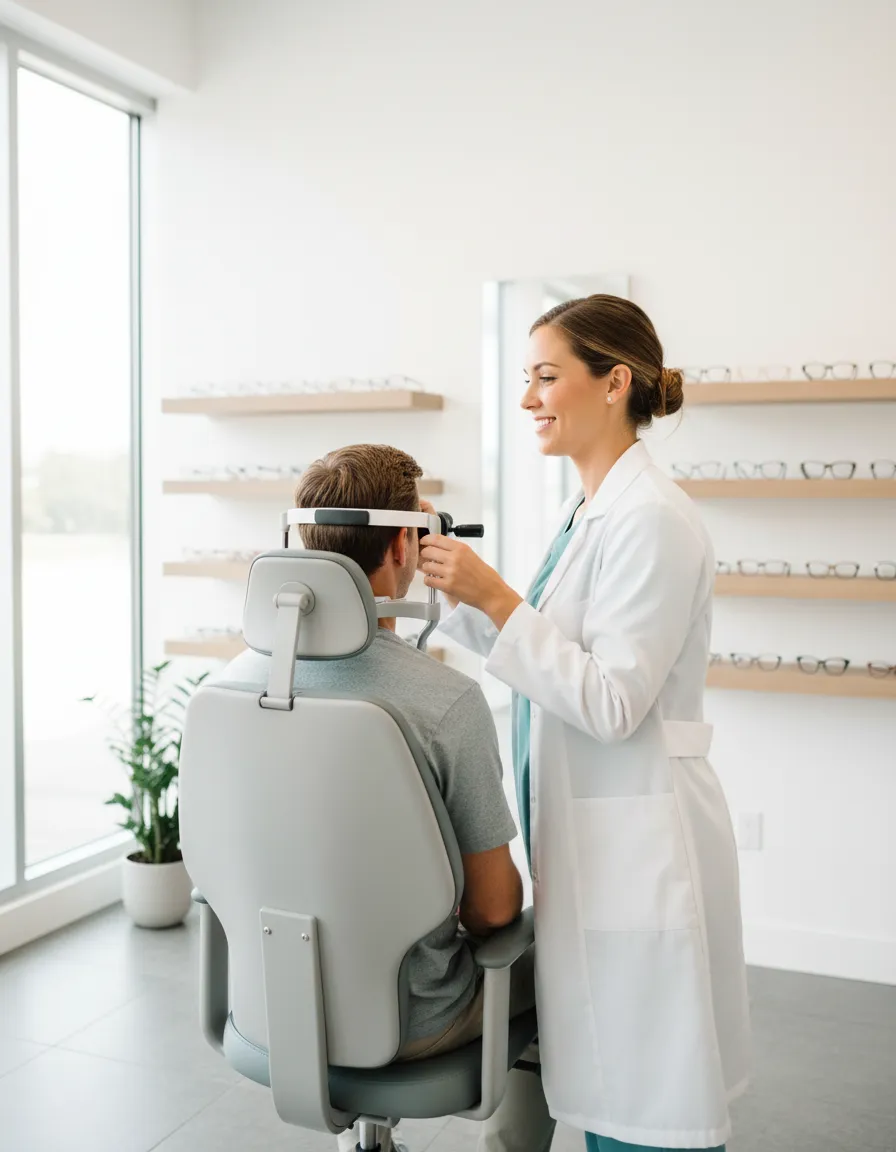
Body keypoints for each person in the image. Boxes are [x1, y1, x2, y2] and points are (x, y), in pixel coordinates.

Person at [421, 296, 751, 1152]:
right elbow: (546, 644)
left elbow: (611, 701)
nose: (529, 398)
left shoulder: (653, 519)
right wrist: (445, 598)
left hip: (644, 842)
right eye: (525, 379)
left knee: (651, 1097)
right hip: (594, 835)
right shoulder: (590, 511)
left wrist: (492, 595)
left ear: (615, 383)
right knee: (615, 1079)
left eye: (545, 376)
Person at [215, 443, 535, 1149]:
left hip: (265, 1004)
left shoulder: (226, 688)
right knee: (547, 958)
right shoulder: (445, 703)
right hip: (413, 1023)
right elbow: (493, 909)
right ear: (404, 542)